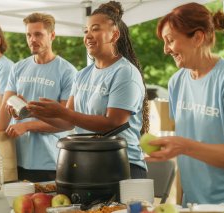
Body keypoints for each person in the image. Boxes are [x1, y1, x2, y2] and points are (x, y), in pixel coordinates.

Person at [147, 2, 224, 210]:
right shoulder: (176, 82)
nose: (165, 50)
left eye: (170, 40)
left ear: (197, 38)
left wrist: (183, 146)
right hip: (194, 202)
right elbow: (193, 140)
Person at [28, 1, 150, 178]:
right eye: (86, 31)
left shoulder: (125, 73)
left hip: (123, 165)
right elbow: (67, 122)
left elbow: (113, 123)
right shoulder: (82, 74)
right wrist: (34, 112)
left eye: (96, 29)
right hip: (89, 163)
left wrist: (63, 112)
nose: (88, 36)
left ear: (114, 35)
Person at [0, 13, 77, 182]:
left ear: (52, 35)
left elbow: (66, 121)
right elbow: (4, 113)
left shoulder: (68, 72)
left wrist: (27, 126)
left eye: (38, 34)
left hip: (49, 161)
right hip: (16, 158)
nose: (32, 39)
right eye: (29, 35)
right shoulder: (18, 68)